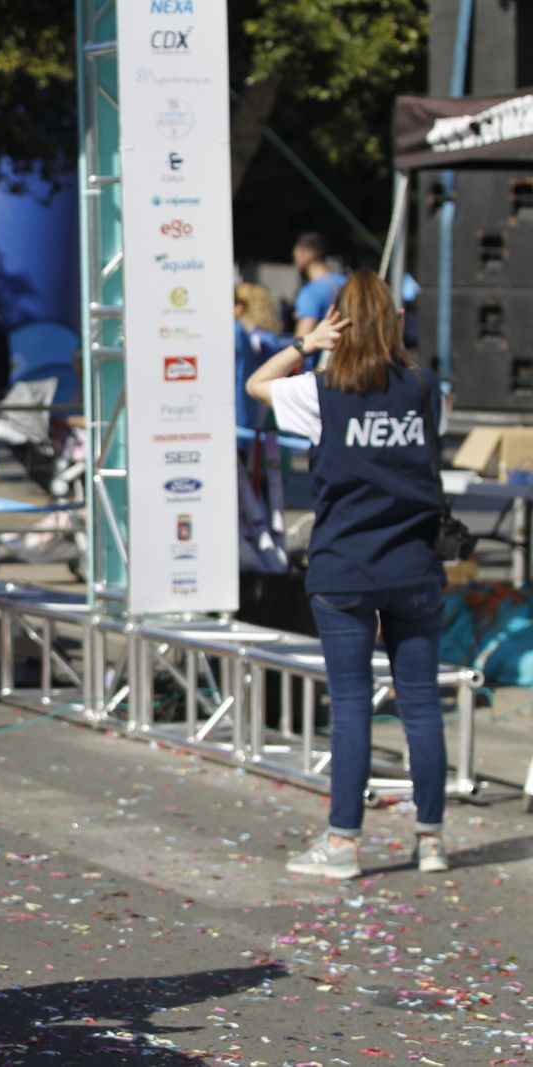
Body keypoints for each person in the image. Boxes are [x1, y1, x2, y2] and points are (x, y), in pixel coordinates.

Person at [245, 270, 450, 880]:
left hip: (345, 567)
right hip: (415, 563)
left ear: (342, 322)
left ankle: (343, 844)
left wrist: (309, 342)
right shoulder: (423, 386)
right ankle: (432, 840)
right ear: (396, 321)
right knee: (420, 705)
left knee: (354, 704)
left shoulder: (321, 390)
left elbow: (258, 382)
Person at [234, 282, 290, 430]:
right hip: (257, 411)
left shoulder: (264, 339)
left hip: (265, 413)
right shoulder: (265, 337)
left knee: (269, 450)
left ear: (242, 307)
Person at [291, 232, 347, 344]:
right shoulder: (347, 282)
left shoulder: (310, 293)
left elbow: (302, 342)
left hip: (323, 359)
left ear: (305, 255)